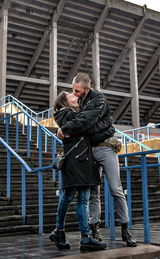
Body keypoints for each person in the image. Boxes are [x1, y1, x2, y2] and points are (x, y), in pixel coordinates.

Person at [57, 73, 137, 247]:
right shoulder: (78, 102)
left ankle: (125, 229)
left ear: (87, 88)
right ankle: (94, 228)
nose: (74, 93)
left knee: (116, 189)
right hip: (89, 151)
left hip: (106, 147)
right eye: (73, 90)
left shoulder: (97, 98)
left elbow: (86, 121)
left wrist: (65, 129)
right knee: (93, 193)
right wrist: (101, 125)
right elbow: (89, 123)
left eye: (77, 90)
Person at [49, 91, 107, 252]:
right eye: (69, 93)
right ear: (64, 101)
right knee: (68, 196)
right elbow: (84, 126)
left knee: (84, 198)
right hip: (74, 160)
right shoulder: (63, 113)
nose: (72, 93)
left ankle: (84, 236)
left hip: (85, 160)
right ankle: (59, 230)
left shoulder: (77, 112)